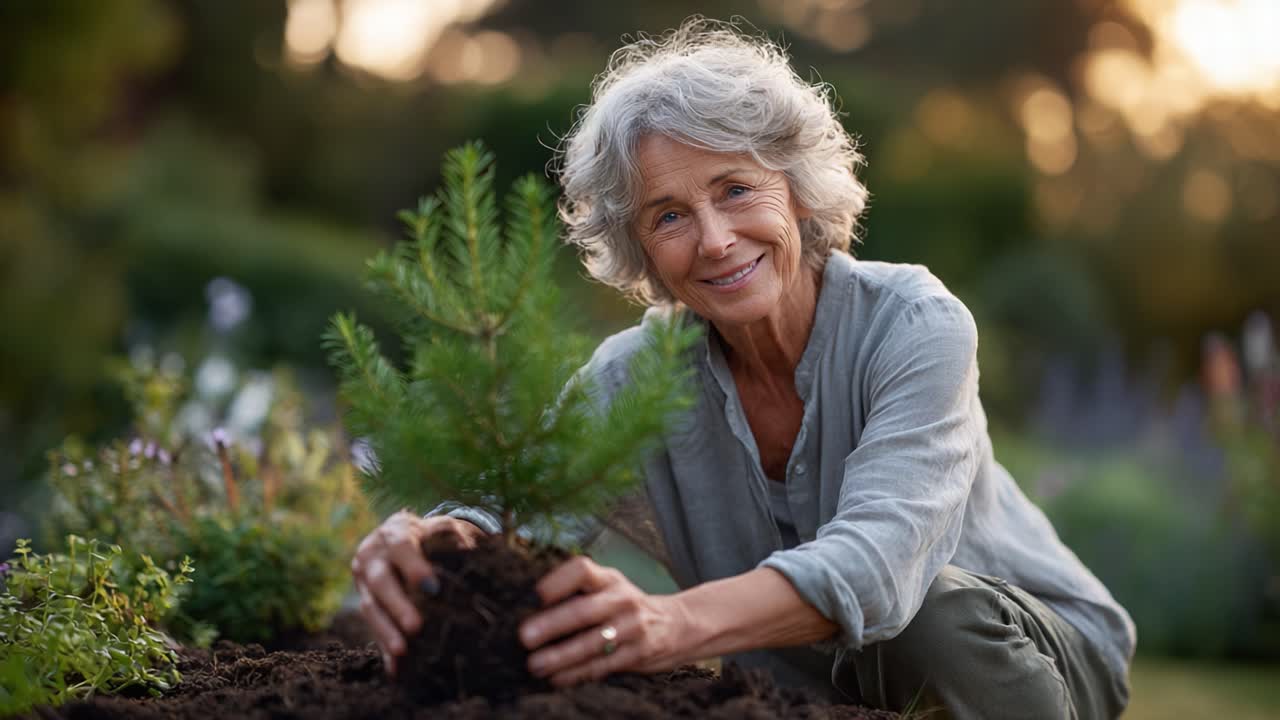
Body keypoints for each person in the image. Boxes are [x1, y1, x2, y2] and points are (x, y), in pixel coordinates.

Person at [349, 19, 1135, 719]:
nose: (717, 239)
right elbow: (517, 514)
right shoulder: (637, 376)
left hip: (1038, 654)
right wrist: (431, 541)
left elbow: (878, 566)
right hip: (828, 683)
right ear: (643, 254)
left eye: (735, 189)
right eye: (669, 216)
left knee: (931, 617)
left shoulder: (914, 324)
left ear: (795, 191)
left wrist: (669, 623)